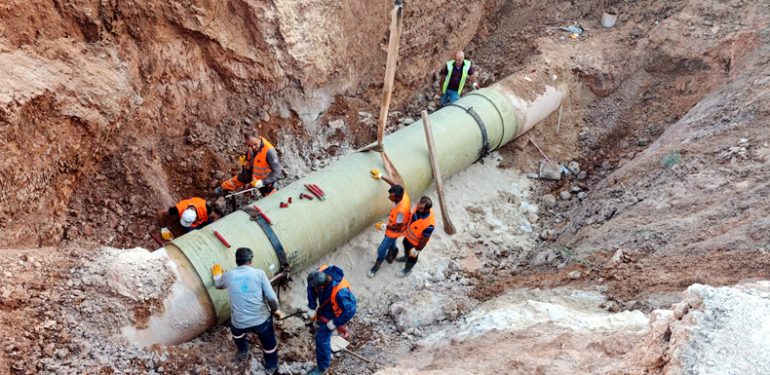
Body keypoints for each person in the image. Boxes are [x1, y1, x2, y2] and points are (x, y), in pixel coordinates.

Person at [212, 248, 283, 374]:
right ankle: (271, 366)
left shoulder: (229, 275)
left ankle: (243, 352)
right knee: (269, 344)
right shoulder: (259, 274)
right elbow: (271, 298)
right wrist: (275, 310)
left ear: (236, 261)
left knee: (236, 332)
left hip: (240, 323)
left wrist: (217, 274)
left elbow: (218, 284)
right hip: (261, 321)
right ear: (251, 260)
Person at [306, 265, 357, 375]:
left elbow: (350, 310)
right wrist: (312, 306)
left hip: (335, 314)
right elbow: (311, 288)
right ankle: (319, 323)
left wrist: (334, 323)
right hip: (326, 306)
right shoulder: (318, 274)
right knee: (320, 319)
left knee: (321, 339)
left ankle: (322, 368)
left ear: (323, 286)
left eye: (318, 289)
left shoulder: (341, 292)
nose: (315, 290)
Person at [367, 168, 411, 278]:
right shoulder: (402, 193)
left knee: (381, 249)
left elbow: (397, 227)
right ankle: (394, 252)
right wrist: (381, 176)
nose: (388, 197)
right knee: (392, 244)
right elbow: (394, 184)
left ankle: (377, 266)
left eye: (391, 197)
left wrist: (384, 226)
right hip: (394, 226)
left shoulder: (401, 211)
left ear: (397, 197)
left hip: (394, 231)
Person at [214, 131, 282, 197]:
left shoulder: (269, 152)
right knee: (241, 178)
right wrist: (245, 162)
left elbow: (277, 172)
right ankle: (223, 189)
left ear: (259, 138)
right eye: (250, 145)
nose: (253, 148)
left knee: (269, 198)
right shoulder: (252, 148)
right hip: (253, 175)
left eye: (255, 144)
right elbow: (250, 161)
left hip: (267, 180)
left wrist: (263, 182)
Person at [396, 196, 436, 277]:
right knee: (405, 245)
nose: (418, 208)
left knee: (412, 257)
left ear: (427, 210)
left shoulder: (429, 224)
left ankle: (407, 270)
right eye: (418, 205)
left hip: (415, 244)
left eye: (420, 208)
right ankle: (406, 257)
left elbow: (424, 240)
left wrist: (417, 250)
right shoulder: (419, 208)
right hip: (408, 237)